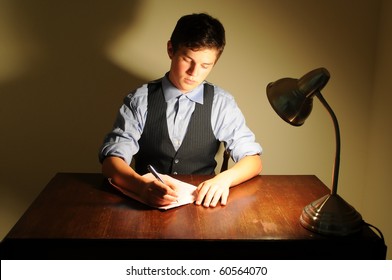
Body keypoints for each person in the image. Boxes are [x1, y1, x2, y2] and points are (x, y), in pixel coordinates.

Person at [98, 13, 262, 208]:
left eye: (205, 65)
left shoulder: (221, 102)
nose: (194, 72)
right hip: (146, 205)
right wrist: (141, 186)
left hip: (202, 207)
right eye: (187, 59)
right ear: (170, 50)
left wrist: (224, 179)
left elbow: (253, 160)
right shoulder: (139, 100)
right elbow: (111, 161)